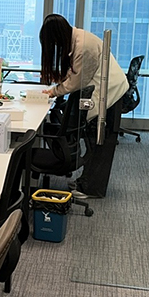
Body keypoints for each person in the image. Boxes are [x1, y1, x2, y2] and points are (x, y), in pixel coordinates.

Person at [39, 14, 129, 198]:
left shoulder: (83, 46)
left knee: (101, 142)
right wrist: (59, 83)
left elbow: (77, 82)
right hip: (104, 90)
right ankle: (86, 181)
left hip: (110, 93)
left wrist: (53, 91)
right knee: (93, 141)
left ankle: (92, 188)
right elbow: (76, 72)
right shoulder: (76, 39)